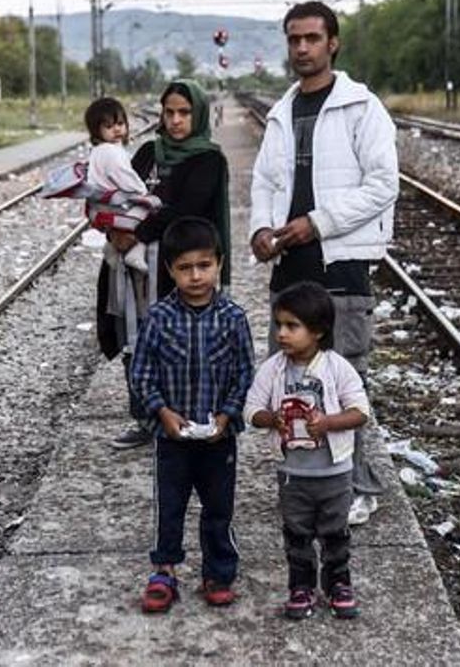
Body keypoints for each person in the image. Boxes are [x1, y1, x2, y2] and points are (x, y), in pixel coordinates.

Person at [248, 0, 398, 501]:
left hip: (342, 267)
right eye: (294, 39)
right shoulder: (281, 112)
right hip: (289, 272)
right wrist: (261, 230)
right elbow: (265, 182)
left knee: (347, 383)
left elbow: (383, 185)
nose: (302, 48)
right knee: (289, 385)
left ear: (332, 42)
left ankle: (358, 489)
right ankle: (308, 483)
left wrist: (317, 223)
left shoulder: (362, 107)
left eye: (312, 38)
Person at [97, 79, 233, 450]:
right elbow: (117, 195)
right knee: (135, 339)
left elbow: (186, 209)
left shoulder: (208, 159)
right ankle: (144, 418)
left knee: (179, 342)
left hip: (177, 269)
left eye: (184, 112)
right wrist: (114, 230)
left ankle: (185, 416)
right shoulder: (145, 153)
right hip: (133, 270)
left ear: (198, 114)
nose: (175, 120)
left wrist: (135, 232)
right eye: (169, 112)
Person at [130, 216, 254, 613]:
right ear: (169, 270)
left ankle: (218, 572)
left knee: (219, 508)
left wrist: (226, 416)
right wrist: (162, 412)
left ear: (219, 263)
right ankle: (164, 570)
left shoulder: (233, 319)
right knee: (170, 505)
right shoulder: (158, 319)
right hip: (172, 438)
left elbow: (245, 374)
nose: (196, 276)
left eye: (204, 265)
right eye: (184, 268)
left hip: (220, 438)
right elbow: (142, 374)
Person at [244, 281, 369, 620]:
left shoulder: (336, 367)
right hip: (293, 474)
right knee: (296, 535)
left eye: (291, 326)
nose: (281, 333)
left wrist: (328, 423)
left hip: (334, 472)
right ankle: (300, 586)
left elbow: (361, 411)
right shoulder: (273, 369)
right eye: (279, 325)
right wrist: (272, 419)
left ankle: (338, 584)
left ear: (317, 331)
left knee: (335, 534)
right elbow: (251, 409)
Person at [83, 96, 158, 273]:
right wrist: (144, 193)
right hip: (113, 208)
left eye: (120, 123)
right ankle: (136, 252)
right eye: (108, 126)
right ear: (96, 131)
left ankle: (113, 249)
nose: (116, 129)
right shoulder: (111, 153)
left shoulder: (100, 151)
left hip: (101, 207)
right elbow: (126, 179)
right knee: (152, 212)